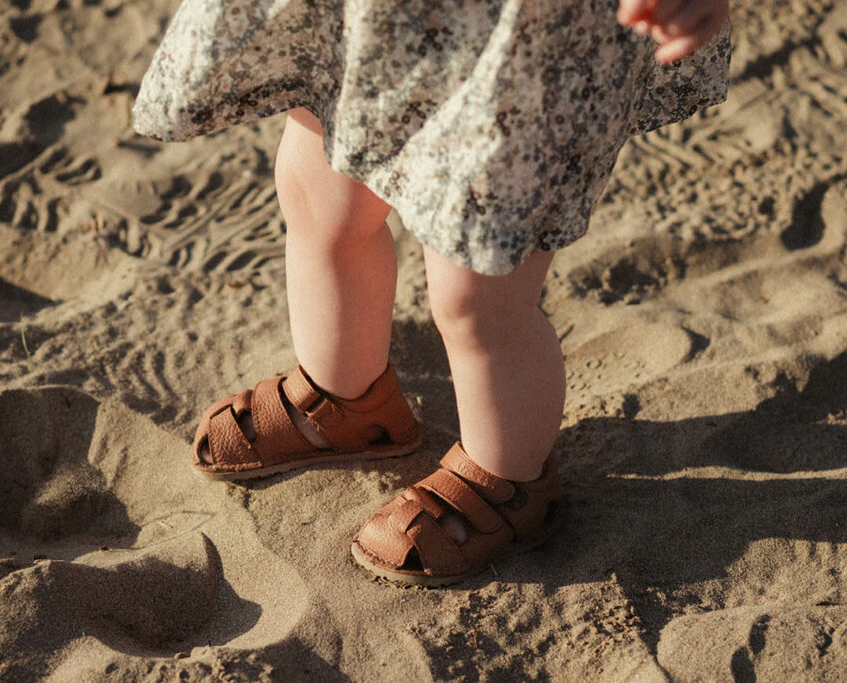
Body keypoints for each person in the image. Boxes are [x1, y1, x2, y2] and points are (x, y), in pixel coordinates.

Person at [132, 0, 731, 586]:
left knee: (478, 288)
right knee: (322, 188)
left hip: (527, 38)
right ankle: (347, 397)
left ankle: (508, 478)